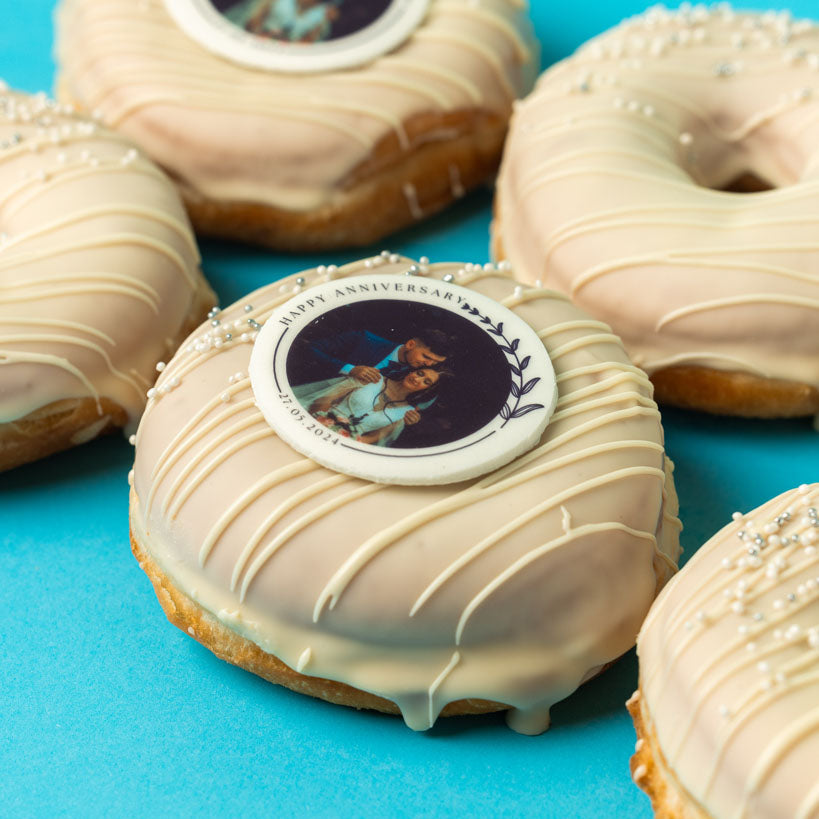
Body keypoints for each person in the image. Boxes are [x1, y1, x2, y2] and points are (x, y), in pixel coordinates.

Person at [295, 328, 450, 428]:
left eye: (436, 362)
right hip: (304, 397)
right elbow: (309, 348)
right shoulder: (363, 339)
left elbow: (421, 405)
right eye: (426, 357)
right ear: (410, 344)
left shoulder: (415, 376)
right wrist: (349, 368)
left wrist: (416, 419)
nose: (429, 364)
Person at [294, 367, 447, 446]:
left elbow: (375, 437)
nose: (418, 379)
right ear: (412, 371)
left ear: (427, 390)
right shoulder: (374, 378)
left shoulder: (406, 412)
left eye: (426, 382)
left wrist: (349, 442)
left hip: (345, 444)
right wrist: (320, 423)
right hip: (311, 422)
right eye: (420, 373)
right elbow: (327, 398)